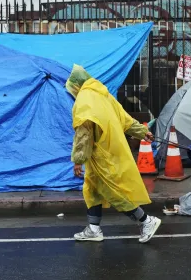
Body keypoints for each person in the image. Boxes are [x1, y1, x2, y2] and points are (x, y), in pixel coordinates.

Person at [65, 64, 162, 244]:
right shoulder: (104, 95)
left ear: (76, 85)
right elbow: (125, 119)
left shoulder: (83, 101)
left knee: (115, 192)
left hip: (102, 155)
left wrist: (78, 160)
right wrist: (142, 131)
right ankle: (93, 229)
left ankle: (147, 221)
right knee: (92, 190)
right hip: (109, 152)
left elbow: (84, 134)